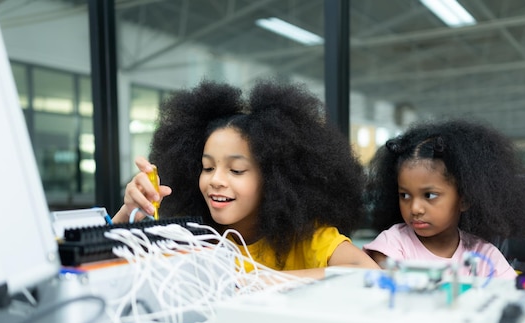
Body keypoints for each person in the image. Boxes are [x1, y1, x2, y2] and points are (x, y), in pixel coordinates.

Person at [113, 79, 379, 278]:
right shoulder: (194, 238)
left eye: (236, 170)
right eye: (207, 168)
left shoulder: (308, 239)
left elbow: (369, 274)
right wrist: (127, 213)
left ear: (277, 180)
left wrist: (261, 283)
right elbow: (102, 271)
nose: (216, 179)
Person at [363, 117, 525, 279]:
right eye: (405, 195)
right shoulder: (391, 246)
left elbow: (515, 296)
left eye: (430, 195)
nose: (415, 208)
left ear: (464, 199)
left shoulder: (484, 254)